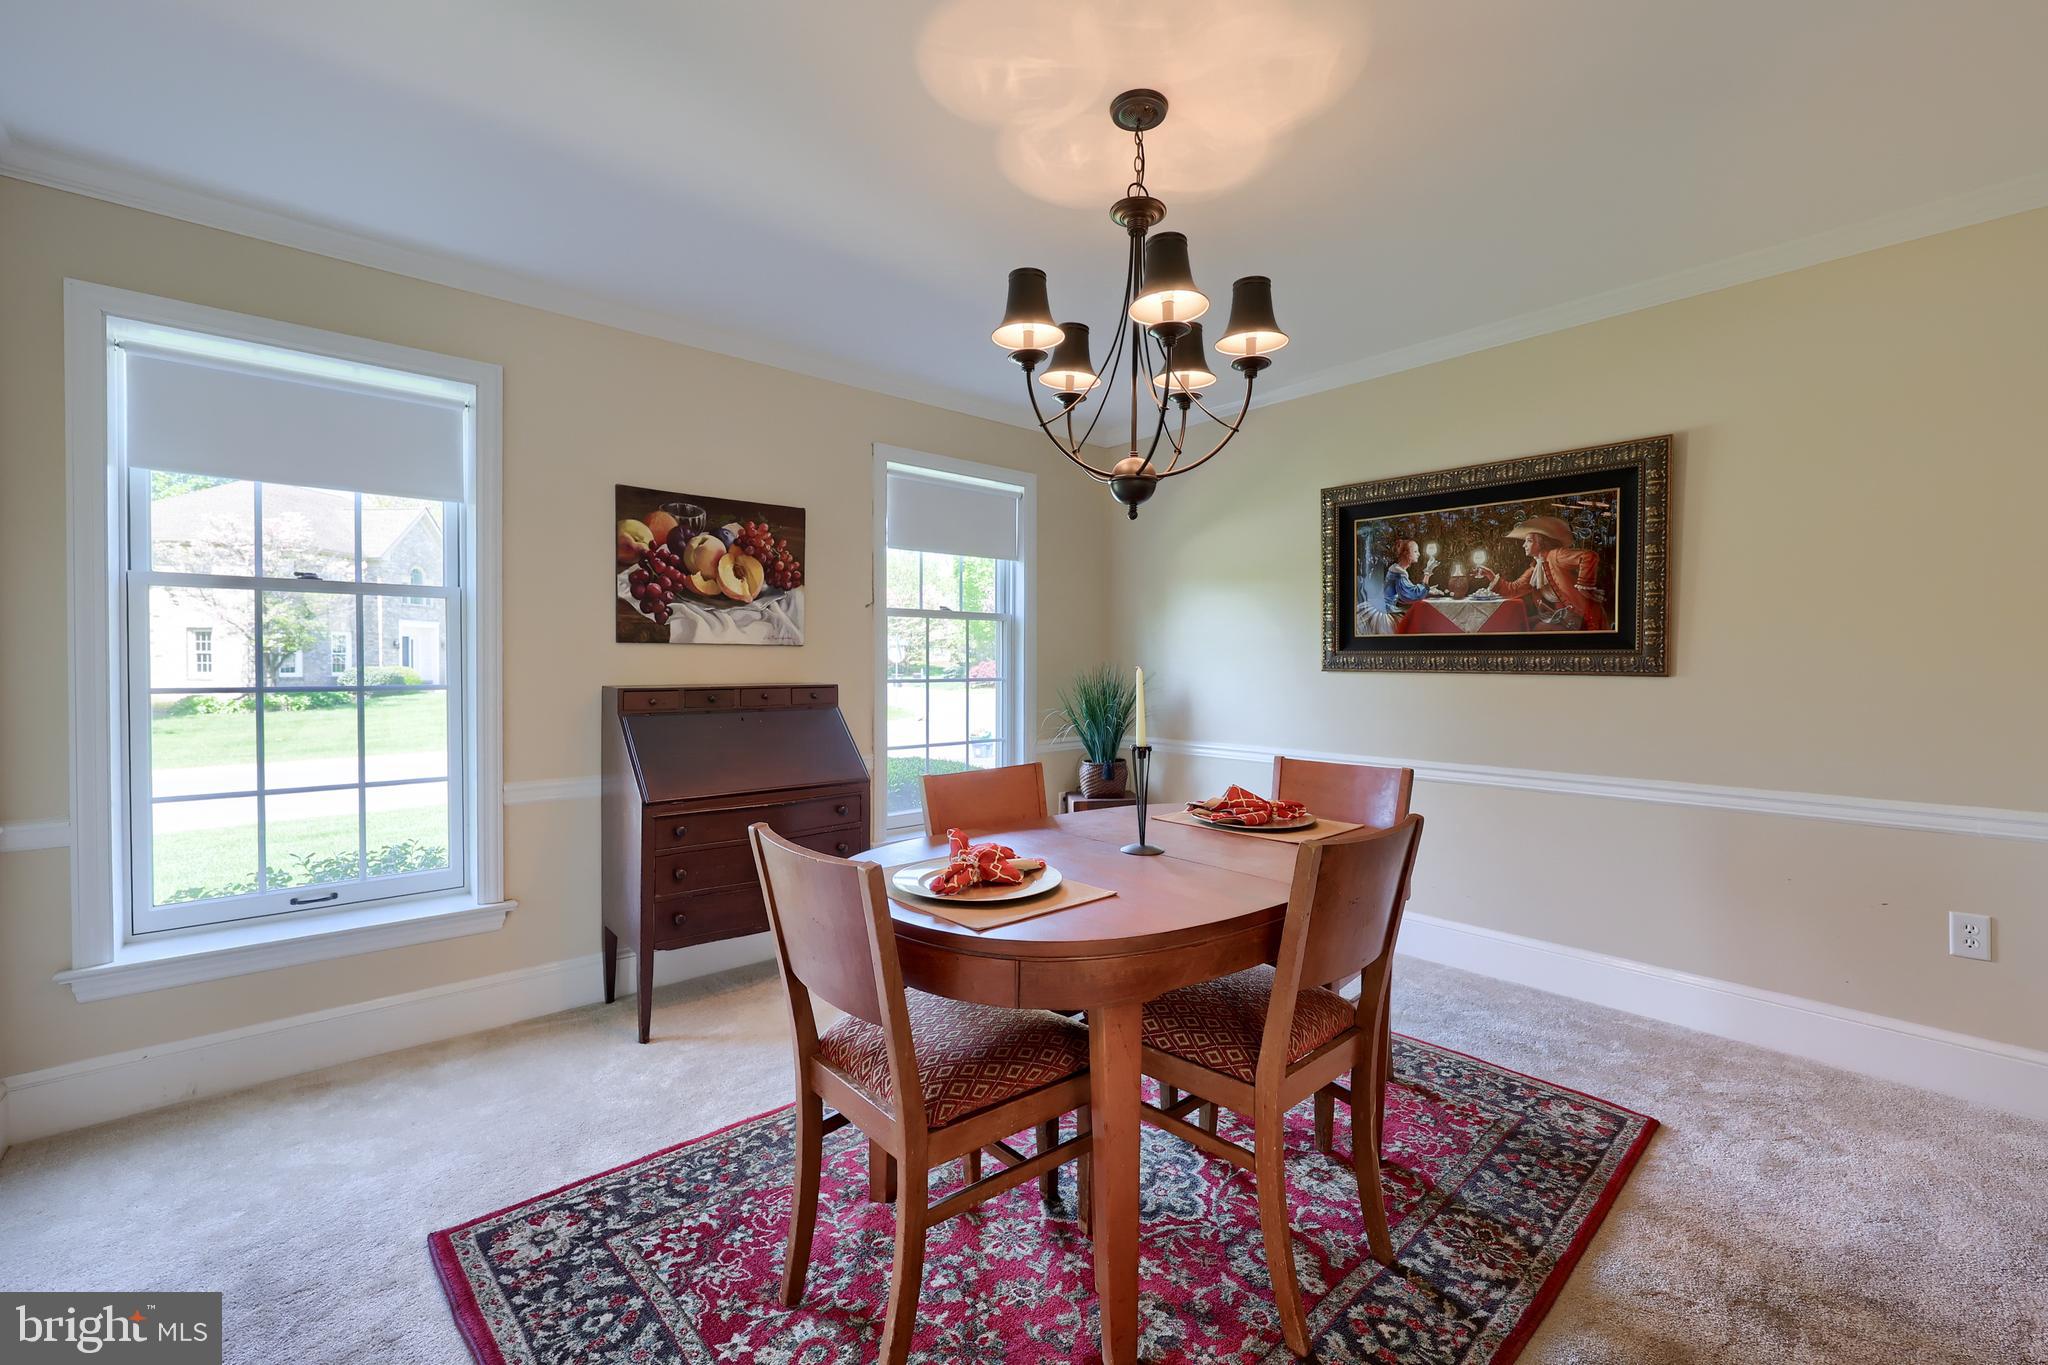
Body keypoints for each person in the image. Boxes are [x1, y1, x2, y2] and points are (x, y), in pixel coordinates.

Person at [1477, 515, 1608, 630]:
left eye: (1529, 541)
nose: (1524, 545)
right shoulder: (1536, 567)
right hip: (1560, 617)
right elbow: (1514, 589)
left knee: (1536, 629)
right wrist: (1491, 576)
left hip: (1582, 617)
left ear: (1541, 542)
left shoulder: (1556, 555)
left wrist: (1585, 585)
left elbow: (1589, 556)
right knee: (1521, 623)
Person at [1356, 537, 1436, 635]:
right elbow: (1411, 594)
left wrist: (1428, 590)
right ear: (1407, 554)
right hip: (1383, 612)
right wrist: (1427, 571)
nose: (1418, 554)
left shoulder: (1398, 570)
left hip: (1382, 607)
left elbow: (1407, 590)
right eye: (1415, 551)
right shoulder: (1399, 573)